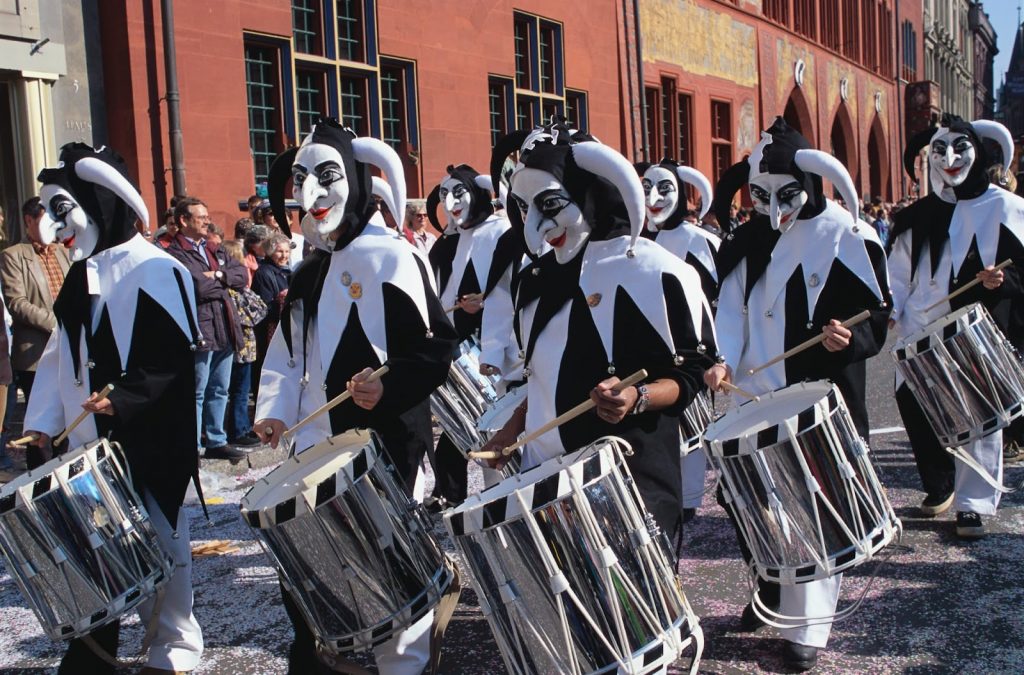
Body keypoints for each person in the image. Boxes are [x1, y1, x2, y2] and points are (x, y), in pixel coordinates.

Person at [255, 117, 457, 675]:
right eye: (301, 180)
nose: (311, 195)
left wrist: (386, 386)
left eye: (326, 177)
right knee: (311, 593)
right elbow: (287, 354)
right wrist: (273, 412)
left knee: (395, 588)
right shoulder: (308, 270)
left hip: (387, 453)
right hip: (315, 454)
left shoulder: (395, 256)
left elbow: (435, 350)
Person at [705, 117, 891, 672]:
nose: (773, 208)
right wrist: (720, 358)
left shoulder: (847, 233)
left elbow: (877, 316)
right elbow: (730, 309)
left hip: (815, 397)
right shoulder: (748, 238)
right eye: (760, 196)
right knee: (755, 505)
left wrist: (849, 336)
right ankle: (773, 592)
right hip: (752, 393)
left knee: (813, 503)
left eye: (784, 195)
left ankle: (808, 625)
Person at [483, 119, 714, 544]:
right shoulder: (530, 279)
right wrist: (513, 429)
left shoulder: (655, 270)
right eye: (523, 207)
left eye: (549, 204)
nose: (535, 226)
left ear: (589, 191)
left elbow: (694, 371)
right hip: (546, 484)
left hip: (627, 484)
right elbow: (542, 379)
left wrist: (635, 397)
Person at [23, 142, 204, 674]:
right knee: (99, 544)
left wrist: (123, 398)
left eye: (63, 211)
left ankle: (175, 647)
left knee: (163, 541)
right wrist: (42, 424)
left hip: (150, 437)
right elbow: (61, 354)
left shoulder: (157, 268)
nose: (56, 231)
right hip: (91, 441)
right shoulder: (82, 272)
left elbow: (172, 359)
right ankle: (99, 651)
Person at [888, 115, 1024, 538]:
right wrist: (889, 311)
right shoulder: (916, 216)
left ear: (978, 152)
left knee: (979, 412)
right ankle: (940, 482)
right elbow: (897, 272)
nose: (949, 159)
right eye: (940, 151)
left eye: (959, 149)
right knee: (911, 400)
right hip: (919, 323)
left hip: (972, 327)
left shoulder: (1007, 208)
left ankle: (973, 503)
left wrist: (1004, 282)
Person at [424, 163, 520, 508]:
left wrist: (485, 310)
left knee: (495, 426)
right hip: (456, 347)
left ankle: (501, 496)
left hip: (495, 348)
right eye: (444, 195)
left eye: (458, 193)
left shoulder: (502, 232)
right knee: (457, 420)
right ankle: (450, 492)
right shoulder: (451, 240)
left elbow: (509, 292)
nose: (450, 203)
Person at [636, 158, 718, 525]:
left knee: (695, 427)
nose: (653, 197)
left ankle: (689, 498)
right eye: (647, 188)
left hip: (696, 349)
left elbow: (724, 300)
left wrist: (720, 353)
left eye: (664, 188)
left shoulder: (702, 242)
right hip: (654, 353)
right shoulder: (637, 243)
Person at [165, 197, 249, 461]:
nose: (207, 221)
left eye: (206, 216)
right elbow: (197, 287)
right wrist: (221, 280)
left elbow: (242, 276)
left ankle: (216, 440)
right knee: (197, 390)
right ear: (183, 220)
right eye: (200, 217)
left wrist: (220, 276)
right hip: (199, 328)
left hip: (224, 324)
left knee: (219, 388)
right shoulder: (174, 253)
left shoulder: (214, 248)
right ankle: (193, 445)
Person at [0, 197, 71, 409]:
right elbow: (17, 303)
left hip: (69, 349)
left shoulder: (64, 252)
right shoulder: (13, 256)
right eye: (43, 220)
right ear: (28, 220)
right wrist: (56, 322)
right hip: (36, 354)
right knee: (41, 425)